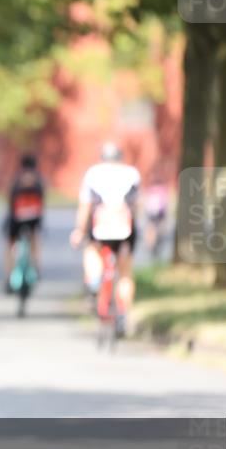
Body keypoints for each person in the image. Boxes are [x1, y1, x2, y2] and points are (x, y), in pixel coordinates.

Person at [69, 142, 141, 336]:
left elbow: (86, 205)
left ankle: (93, 284)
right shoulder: (132, 174)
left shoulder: (93, 174)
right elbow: (135, 205)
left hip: (100, 228)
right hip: (125, 229)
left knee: (91, 251)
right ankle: (123, 313)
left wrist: (79, 230)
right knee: (125, 272)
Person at [4, 153, 44, 291]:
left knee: (10, 243)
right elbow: (42, 202)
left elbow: (10, 201)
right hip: (34, 217)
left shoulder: (17, 179)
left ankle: (9, 276)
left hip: (16, 217)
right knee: (34, 238)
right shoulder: (37, 180)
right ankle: (36, 267)